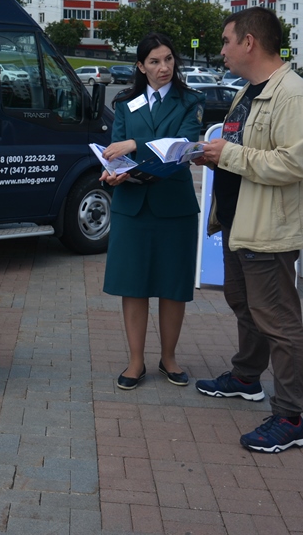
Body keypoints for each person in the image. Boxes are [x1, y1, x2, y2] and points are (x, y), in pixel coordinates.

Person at [192, 7, 303, 453]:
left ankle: (290, 417)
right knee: (242, 302)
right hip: (238, 223)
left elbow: (294, 162)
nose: (222, 50)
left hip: (268, 229)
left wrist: (226, 155)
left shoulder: (293, 96)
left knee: (279, 321)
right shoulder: (250, 91)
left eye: (227, 41)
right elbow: (241, 146)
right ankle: (246, 376)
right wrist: (208, 153)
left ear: (250, 42)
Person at [99, 33, 204, 391]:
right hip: (132, 206)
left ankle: (169, 358)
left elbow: (183, 148)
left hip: (174, 207)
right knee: (134, 286)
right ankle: (135, 362)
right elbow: (117, 152)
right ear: (141, 67)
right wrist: (113, 173)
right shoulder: (126, 103)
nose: (164, 68)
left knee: (173, 287)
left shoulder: (190, 101)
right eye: (155, 62)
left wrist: (134, 144)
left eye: (169, 60)